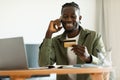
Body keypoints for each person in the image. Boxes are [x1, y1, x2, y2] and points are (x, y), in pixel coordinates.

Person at [39, 2, 106, 80]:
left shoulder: (94, 37)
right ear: (60, 19)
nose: (69, 20)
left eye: (73, 16)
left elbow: (104, 64)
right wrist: (49, 33)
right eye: (65, 16)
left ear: (79, 18)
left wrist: (88, 58)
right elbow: (44, 65)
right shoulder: (56, 41)